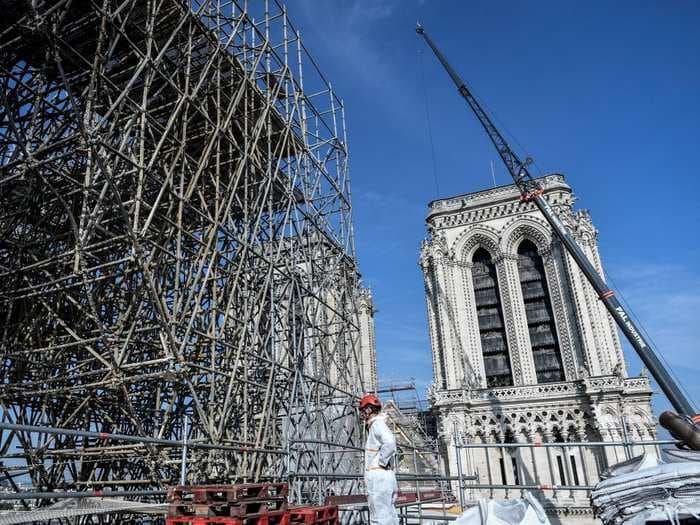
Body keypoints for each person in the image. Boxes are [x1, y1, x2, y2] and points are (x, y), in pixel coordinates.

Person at [359, 393, 400, 525]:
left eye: (363, 410)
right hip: (386, 475)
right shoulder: (377, 425)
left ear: (369, 410)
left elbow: (390, 443)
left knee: (379, 516)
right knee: (389, 514)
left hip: (378, 476)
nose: (361, 414)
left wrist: (381, 462)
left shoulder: (377, 424)